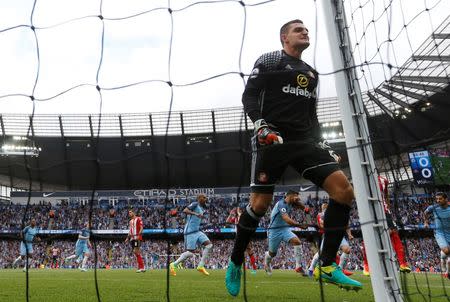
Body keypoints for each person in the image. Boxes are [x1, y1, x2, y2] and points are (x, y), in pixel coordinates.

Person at [225, 19, 362, 296]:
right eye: (298, 29)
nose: (305, 32)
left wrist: (321, 141)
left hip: (304, 142)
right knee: (260, 206)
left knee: (344, 192)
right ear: (284, 37)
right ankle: (235, 260)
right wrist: (260, 124)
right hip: (271, 139)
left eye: (306, 29)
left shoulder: (311, 73)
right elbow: (249, 95)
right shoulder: (271, 61)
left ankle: (326, 265)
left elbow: (311, 116)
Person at [361, 175, 411, 276]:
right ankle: (366, 266)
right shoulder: (361, 178)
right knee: (369, 236)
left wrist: (388, 208)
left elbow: (386, 195)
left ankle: (402, 264)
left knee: (394, 233)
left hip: (384, 211)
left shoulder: (384, 179)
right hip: (370, 211)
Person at [263, 190, 308, 276]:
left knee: (297, 242)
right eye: (296, 196)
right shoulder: (281, 204)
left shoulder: (292, 203)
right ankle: (267, 262)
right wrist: (300, 225)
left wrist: (306, 209)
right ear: (290, 196)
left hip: (284, 229)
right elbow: (286, 219)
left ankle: (298, 266)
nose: (297, 198)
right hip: (274, 230)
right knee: (272, 253)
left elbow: (302, 206)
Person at [170, 194, 212, 276]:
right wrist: (195, 214)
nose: (205, 199)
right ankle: (173, 265)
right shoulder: (195, 204)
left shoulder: (201, 207)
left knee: (209, 245)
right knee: (190, 253)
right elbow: (185, 210)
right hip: (190, 231)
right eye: (204, 197)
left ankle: (200, 266)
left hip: (197, 231)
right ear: (199, 198)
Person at [308, 202, 353, 277]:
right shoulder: (321, 215)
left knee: (347, 250)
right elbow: (322, 225)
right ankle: (311, 269)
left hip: (339, 235)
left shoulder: (342, 214)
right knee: (321, 253)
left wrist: (349, 234)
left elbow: (347, 224)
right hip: (328, 236)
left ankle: (340, 269)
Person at [423, 192, 450, 279]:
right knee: (446, 250)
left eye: (440, 199)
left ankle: (446, 266)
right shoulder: (433, 208)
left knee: (447, 252)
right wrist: (426, 222)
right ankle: (444, 258)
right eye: (437, 199)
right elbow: (425, 212)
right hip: (439, 233)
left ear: (446, 199)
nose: (438, 200)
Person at [226, 206, 258, 274]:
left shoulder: (242, 216)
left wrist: (238, 211)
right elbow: (227, 221)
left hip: (244, 235)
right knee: (241, 252)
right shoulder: (235, 218)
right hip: (238, 236)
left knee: (248, 251)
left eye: (238, 209)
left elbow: (241, 217)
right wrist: (230, 214)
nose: (236, 211)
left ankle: (253, 268)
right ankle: (242, 268)